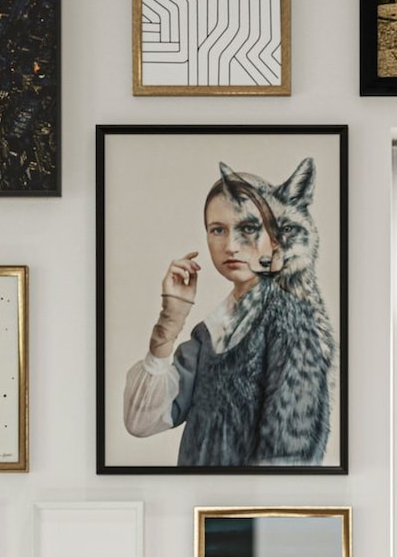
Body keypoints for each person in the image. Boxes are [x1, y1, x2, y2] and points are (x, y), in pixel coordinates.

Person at [123, 168, 331, 468]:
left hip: (247, 511)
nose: (231, 245)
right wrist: (169, 323)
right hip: (196, 509)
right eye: (218, 230)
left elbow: (291, 454)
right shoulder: (210, 331)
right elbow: (141, 421)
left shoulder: (290, 318)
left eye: (247, 228)